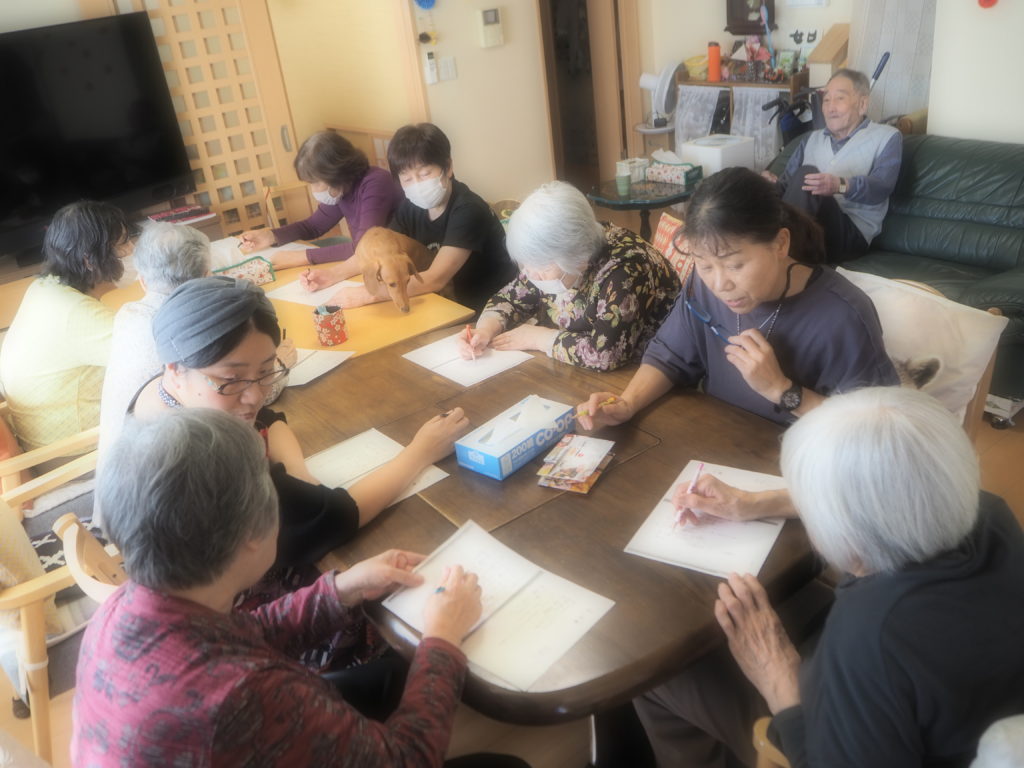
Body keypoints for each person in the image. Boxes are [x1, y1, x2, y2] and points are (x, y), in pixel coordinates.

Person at [74, 407, 529, 768]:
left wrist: (343, 588)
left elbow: (242, 635)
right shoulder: (245, 696)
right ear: (251, 534)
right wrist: (443, 637)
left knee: (390, 672)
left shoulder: (126, 606)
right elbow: (406, 759)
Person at [633, 387, 1024, 768]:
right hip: (970, 707)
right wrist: (752, 503)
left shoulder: (871, 637)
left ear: (849, 533)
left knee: (663, 675)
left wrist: (778, 678)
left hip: (839, 729)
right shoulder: (988, 512)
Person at [123, 276, 469, 571]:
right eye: (232, 379)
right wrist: (420, 452)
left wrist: (295, 473)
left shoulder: (168, 391)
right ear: (175, 369)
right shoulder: (204, 464)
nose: (255, 396)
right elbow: (335, 518)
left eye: (266, 371)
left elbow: (268, 420)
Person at [577, 167, 899, 431]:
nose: (720, 285)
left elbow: (876, 431)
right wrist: (628, 403)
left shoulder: (844, 315)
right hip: (721, 444)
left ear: (780, 244)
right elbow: (670, 356)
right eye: (704, 265)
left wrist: (782, 390)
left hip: (802, 466)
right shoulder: (701, 286)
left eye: (735, 265)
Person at [457, 181, 679, 371]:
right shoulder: (551, 257)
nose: (531, 274)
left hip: (650, 373)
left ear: (578, 258)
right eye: (527, 265)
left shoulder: (626, 270)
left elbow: (606, 354)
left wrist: (538, 338)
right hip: (578, 372)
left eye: (542, 268)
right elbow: (510, 298)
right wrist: (485, 330)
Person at [300, 123, 514, 313]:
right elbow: (379, 253)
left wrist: (368, 294)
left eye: (425, 173)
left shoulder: (469, 210)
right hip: (442, 303)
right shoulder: (410, 206)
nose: (417, 184)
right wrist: (332, 274)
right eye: (407, 178)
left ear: (448, 167)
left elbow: (436, 278)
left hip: (488, 310)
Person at [0, 200, 131, 455]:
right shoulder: (77, 313)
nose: (132, 249)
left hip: (39, 439)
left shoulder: (44, 287)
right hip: (76, 455)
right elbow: (149, 356)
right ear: (90, 260)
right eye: (122, 244)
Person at [97, 221, 211, 461]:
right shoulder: (193, 324)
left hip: (113, 468)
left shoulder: (127, 315)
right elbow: (233, 394)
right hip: (168, 467)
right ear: (206, 276)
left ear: (142, 280)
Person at [763, 68, 902, 263]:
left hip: (850, 235)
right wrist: (766, 185)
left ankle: (777, 259)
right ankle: (765, 251)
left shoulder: (887, 137)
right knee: (743, 180)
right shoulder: (810, 139)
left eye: (839, 99)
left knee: (806, 177)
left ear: (862, 104)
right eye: (826, 100)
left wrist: (840, 185)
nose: (830, 108)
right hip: (806, 227)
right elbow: (785, 186)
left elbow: (881, 187)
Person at [238, 130, 403, 269]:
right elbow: (313, 226)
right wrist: (270, 236)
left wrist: (301, 256)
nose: (314, 190)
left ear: (336, 173)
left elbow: (364, 246)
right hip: (372, 261)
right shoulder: (342, 187)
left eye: (316, 182)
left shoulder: (376, 182)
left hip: (397, 262)